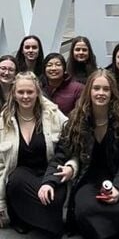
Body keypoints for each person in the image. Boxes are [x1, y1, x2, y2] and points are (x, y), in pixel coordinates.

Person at [43, 70, 119, 238]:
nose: (101, 93)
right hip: (87, 179)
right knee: (86, 210)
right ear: (89, 91)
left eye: (106, 89)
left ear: (112, 92)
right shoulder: (75, 120)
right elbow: (61, 154)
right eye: (96, 88)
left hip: (117, 177)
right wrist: (49, 181)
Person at [0, 72, 68, 237]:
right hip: (20, 178)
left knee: (55, 199)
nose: (25, 96)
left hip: (49, 173)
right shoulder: (3, 120)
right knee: (16, 181)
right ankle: (48, 224)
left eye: (30, 92)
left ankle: (34, 220)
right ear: (14, 94)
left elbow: (69, 146)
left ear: (37, 92)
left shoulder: (54, 115)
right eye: (20, 92)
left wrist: (71, 167)